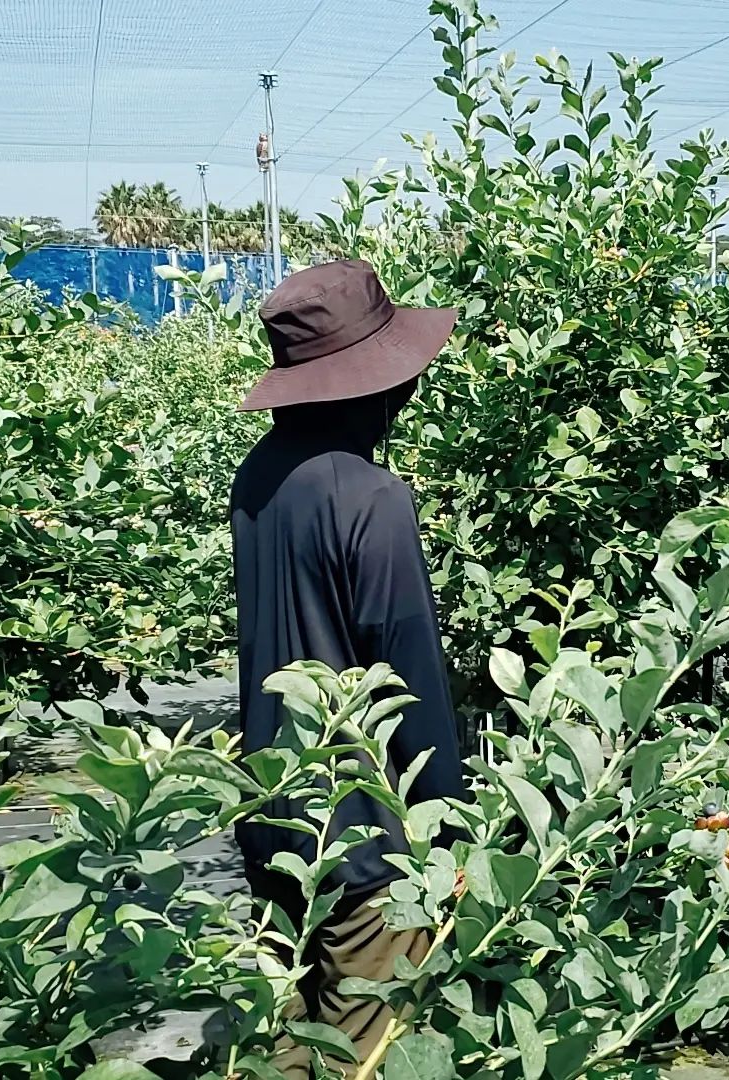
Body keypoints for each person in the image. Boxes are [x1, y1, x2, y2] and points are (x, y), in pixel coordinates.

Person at [230, 259, 466, 1076]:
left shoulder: (261, 474)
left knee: (291, 1048)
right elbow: (411, 680)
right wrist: (452, 829)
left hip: (274, 813)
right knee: (369, 1051)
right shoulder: (371, 496)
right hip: (364, 833)